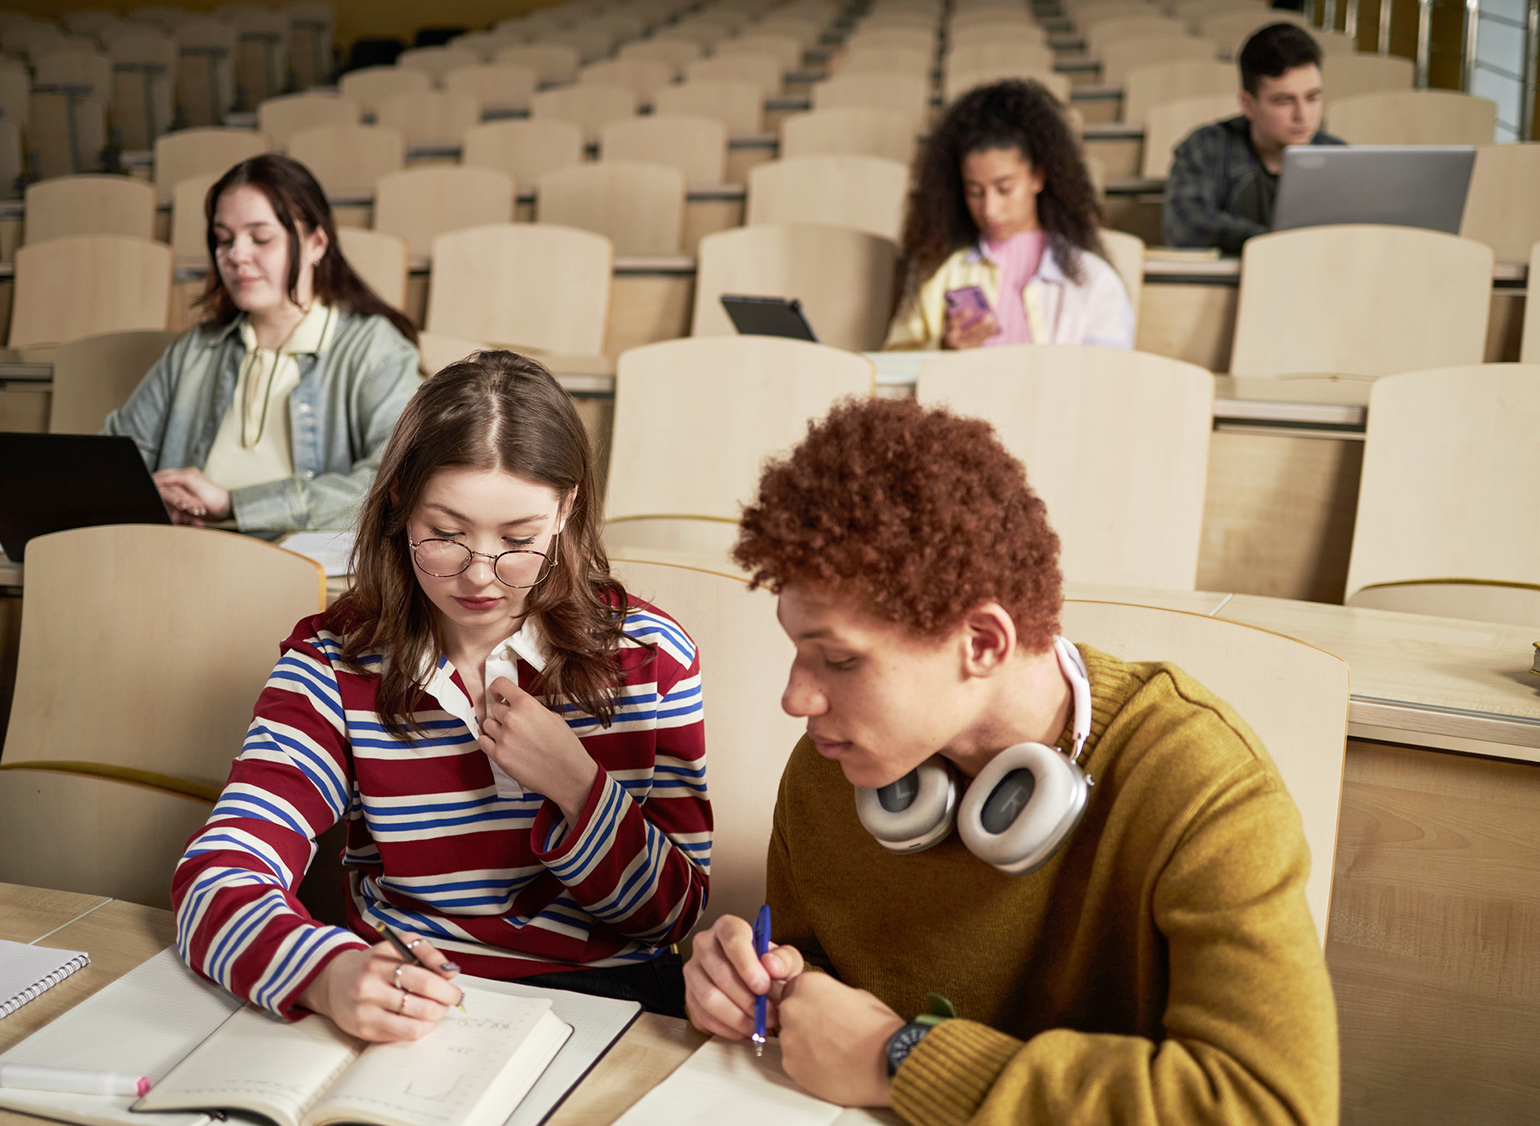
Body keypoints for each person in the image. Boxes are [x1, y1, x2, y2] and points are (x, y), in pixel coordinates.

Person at [683, 397, 1338, 1124]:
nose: (796, 698)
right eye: (798, 650)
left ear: (983, 643)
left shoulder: (1198, 783)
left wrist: (903, 1059)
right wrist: (759, 987)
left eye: (839, 659)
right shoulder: (835, 765)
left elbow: (1274, 1107)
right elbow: (813, 977)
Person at [172, 351, 711, 1040]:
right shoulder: (332, 660)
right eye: (446, 536)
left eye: (519, 539)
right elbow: (218, 875)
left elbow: (674, 916)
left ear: (566, 510)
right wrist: (324, 973)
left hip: (608, 996)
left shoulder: (652, 656)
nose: (479, 576)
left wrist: (580, 790)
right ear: (400, 501)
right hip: (415, 991)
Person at [103, 153, 420, 534]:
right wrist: (148, 493)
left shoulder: (375, 349)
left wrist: (233, 505)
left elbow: (392, 482)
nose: (236, 255)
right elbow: (114, 462)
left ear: (317, 243)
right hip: (185, 549)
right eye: (224, 239)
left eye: (261, 238)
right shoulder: (195, 350)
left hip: (299, 560)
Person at [885, 78, 1134, 351]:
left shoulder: (1094, 280)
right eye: (975, 192)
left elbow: (1110, 372)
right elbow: (893, 357)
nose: (989, 210)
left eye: (1004, 189)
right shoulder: (940, 273)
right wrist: (943, 348)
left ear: (1037, 177)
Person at [1164, 23, 1346, 253]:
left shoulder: (1341, 158)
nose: (1302, 115)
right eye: (1284, 101)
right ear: (1248, 105)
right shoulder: (1204, 148)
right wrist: (1274, 244)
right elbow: (1185, 227)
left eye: (1312, 98)